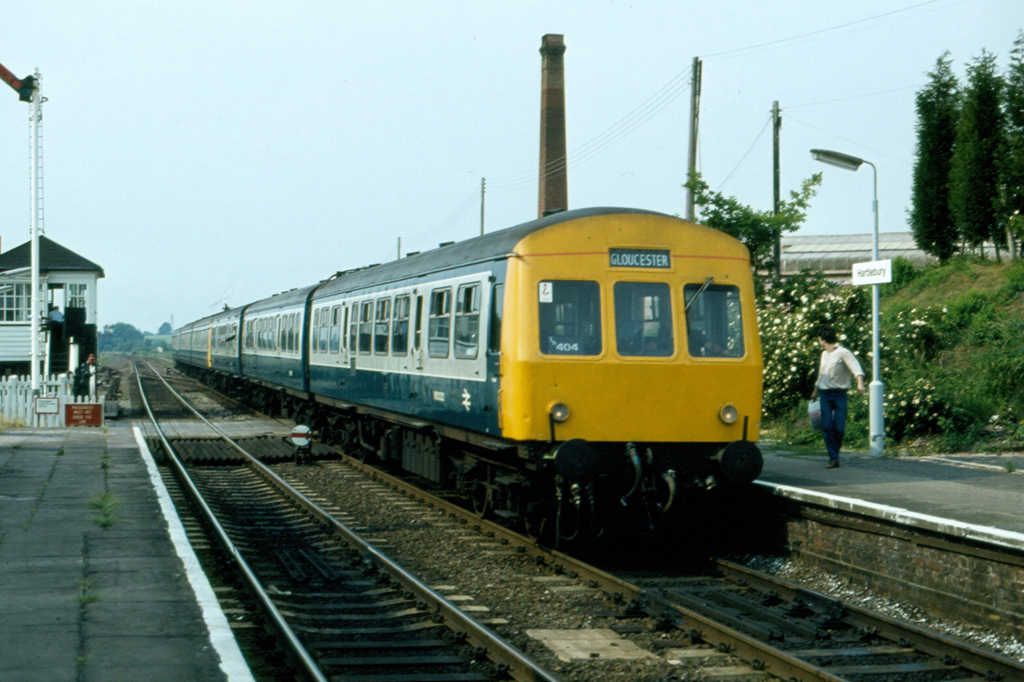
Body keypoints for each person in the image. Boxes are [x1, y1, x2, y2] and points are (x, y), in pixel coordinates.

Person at [810, 325, 865, 469]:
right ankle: (834, 458)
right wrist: (815, 391)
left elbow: (856, 368)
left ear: (823, 339)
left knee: (839, 427)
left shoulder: (843, 352)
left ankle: (835, 454)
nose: (819, 342)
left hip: (840, 394)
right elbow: (821, 374)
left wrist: (860, 384)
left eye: (819, 339)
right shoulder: (824, 354)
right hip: (825, 394)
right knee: (827, 426)